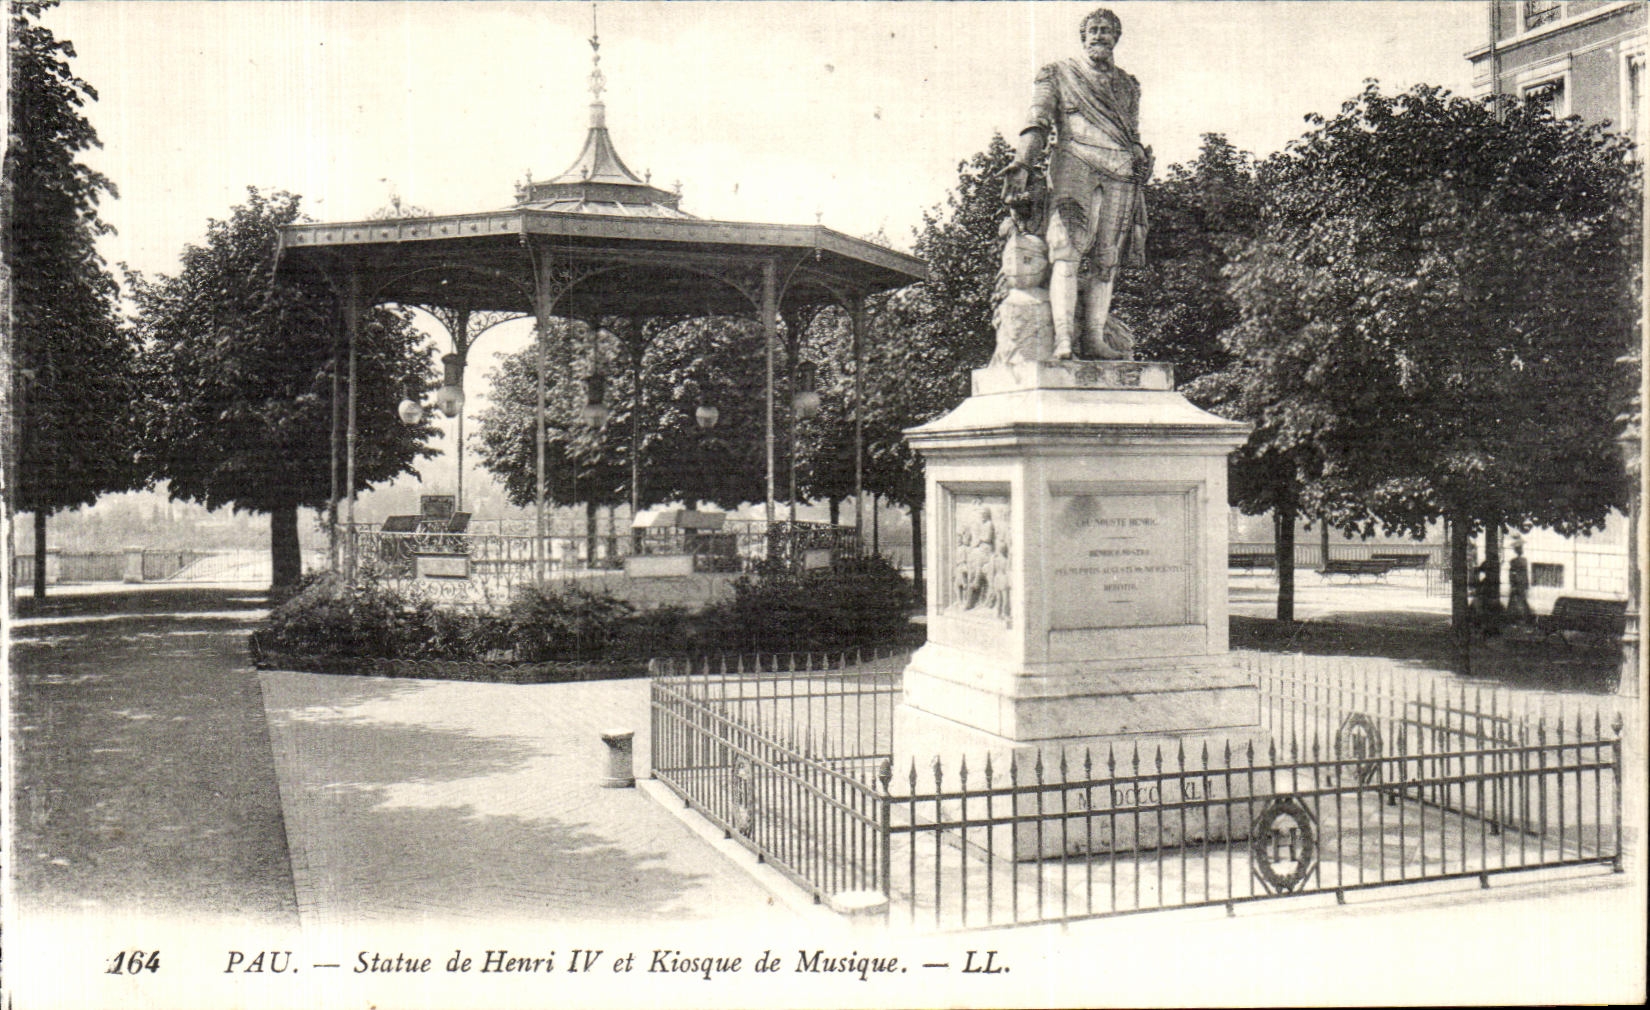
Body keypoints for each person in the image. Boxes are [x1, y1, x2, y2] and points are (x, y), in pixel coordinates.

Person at [1002, 6, 1151, 361]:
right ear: (1083, 37)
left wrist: (1140, 157)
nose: (1099, 35)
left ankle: (1095, 338)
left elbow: (1131, 134)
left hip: (1121, 173)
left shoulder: (1129, 85)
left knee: (1107, 260)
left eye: (1106, 30)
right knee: (1066, 251)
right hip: (1075, 163)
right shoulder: (1058, 74)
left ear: (1115, 38)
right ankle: (1064, 339)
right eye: (1093, 30)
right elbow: (1037, 121)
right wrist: (1022, 162)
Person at [1505, 535, 1534, 625]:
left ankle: (1523, 618)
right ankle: (1515, 618)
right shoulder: (1514, 561)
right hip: (1518, 584)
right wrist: (1513, 584)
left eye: (1521, 548)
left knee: (1521, 601)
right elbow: (1512, 573)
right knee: (1517, 601)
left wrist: (1526, 584)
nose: (1521, 550)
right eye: (1519, 548)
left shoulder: (1523, 560)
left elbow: (1524, 574)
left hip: (1521, 583)